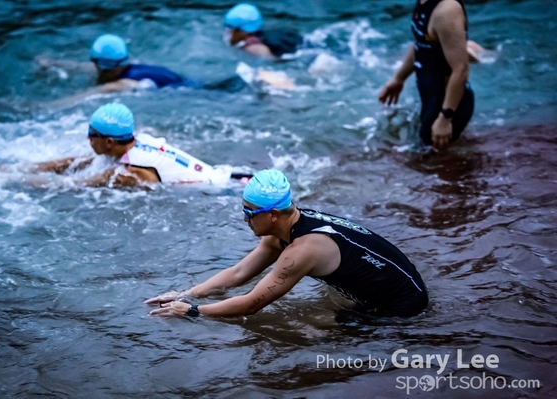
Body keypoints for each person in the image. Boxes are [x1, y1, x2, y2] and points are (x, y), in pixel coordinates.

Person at [146, 169, 429, 319]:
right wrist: (188, 294)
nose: (243, 218)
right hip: (395, 288)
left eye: (248, 211)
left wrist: (194, 312)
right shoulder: (285, 227)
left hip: (402, 311)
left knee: (308, 331)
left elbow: (251, 304)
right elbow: (239, 273)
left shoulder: (303, 250)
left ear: (271, 215)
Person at [33, 102, 251, 187]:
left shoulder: (128, 173)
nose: (88, 139)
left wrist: (21, 181)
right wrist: (33, 167)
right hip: (234, 176)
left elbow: (72, 186)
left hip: (225, 194)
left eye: (92, 134)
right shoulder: (140, 141)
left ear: (109, 142)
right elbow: (81, 162)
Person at [378, 0, 475, 150]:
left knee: (437, 164)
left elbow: (461, 69)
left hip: (447, 105)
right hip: (432, 99)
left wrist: (445, 118)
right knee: (429, 158)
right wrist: (399, 78)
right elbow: (420, 42)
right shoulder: (425, 2)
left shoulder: (447, 10)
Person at [37, 34, 194, 107]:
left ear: (100, 66)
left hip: (195, 93)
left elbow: (90, 94)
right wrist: (52, 63)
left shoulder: (125, 83)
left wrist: (45, 106)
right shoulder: (128, 66)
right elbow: (79, 67)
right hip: (191, 83)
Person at [223, 3, 303, 59]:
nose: (227, 33)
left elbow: (271, 62)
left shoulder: (254, 47)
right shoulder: (262, 35)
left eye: (230, 29)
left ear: (243, 31)